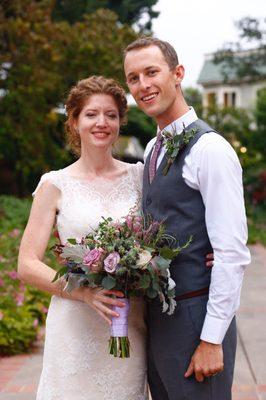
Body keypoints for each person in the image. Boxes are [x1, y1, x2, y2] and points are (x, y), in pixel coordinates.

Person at [123, 37, 251, 400]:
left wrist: (211, 339)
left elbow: (232, 253)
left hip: (197, 318)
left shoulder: (211, 150)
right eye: (133, 78)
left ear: (177, 74)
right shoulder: (151, 148)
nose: (143, 85)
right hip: (159, 318)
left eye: (152, 72)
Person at [18, 76, 148, 400]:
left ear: (120, 122)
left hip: (128, 324)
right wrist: (85, 294)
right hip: (74, 328)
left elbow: (168, 235)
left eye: (111, 115)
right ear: (74, 121)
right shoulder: (55, 184)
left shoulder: (140, 177)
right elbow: (27, 264)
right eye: (91, 114)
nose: (101, 123)